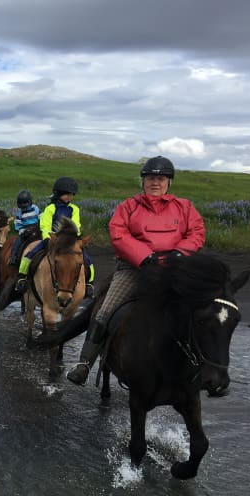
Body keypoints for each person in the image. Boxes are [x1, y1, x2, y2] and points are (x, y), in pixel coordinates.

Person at [66, 156, 206, 386]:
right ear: (143, 181)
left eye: (161, 178)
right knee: (105, 310)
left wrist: (180, 252)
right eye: (151, 178)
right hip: (133, 268)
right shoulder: (128, 206)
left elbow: (197, 232)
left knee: (204, 311)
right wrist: (144, 257)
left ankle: (204, 366)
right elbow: (118, 233)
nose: (156, 183)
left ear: (169, 182)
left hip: (174, 268)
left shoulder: (185, 207)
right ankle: (84, 364)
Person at [15, 177, 94, 294]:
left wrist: (74, 237)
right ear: (58, 194)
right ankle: (22, 277)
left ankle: (89, 283)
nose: (69, 197)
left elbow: (76, 224)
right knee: (30, 254)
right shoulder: (50, 208)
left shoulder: (74, 209)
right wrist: (48, 238)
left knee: (87, 259)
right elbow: (45, 225)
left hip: (69, 241)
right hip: (52, 239)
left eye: (71, 194)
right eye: (66, 194)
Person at [7, 189, 41, 272]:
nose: (24, 208)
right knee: (17, 241)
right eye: (22, 207)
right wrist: (22, 231)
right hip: (25, 230)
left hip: (35, 228)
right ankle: (13, 257)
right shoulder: (19, 212)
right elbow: (18, 224)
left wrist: (40, 227)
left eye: (25, 206)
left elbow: (42, 217)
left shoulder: (35, 208)